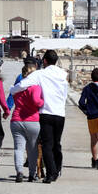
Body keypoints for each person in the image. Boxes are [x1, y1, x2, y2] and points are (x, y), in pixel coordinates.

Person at [10, 49, 69, 183]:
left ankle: (50, 174)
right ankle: (57, 170)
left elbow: (23, 84)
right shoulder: (63, 74)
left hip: (46, 112)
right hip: (60, 113)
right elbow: (65, 93)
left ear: (45, 61)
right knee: (57, 144)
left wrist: (13, 90)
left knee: (47, 145)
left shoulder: (40, 74)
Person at [9, 59, 45, 183]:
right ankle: (32, 174)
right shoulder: (35, 87)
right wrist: (42, 103)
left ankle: (19, 171)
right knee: (32, 148)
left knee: (18, 148)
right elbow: (36, 101)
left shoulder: (17, 88)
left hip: (16, 120)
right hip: (33, 121)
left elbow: (13, 95)